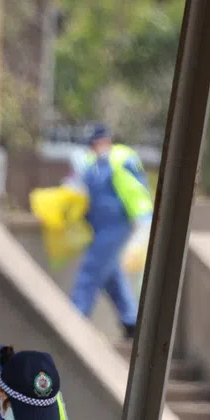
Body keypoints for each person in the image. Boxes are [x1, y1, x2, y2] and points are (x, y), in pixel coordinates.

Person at [69, 122, 154, 339]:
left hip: (116, 225)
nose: (93, 148)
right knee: (112, 277)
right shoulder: (92, 163)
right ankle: (131, 321)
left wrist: (143, 217)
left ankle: (75, 317)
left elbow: (136, 190)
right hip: (98, 227)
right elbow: (80, 188)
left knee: (91, 270)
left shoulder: (121, 159)